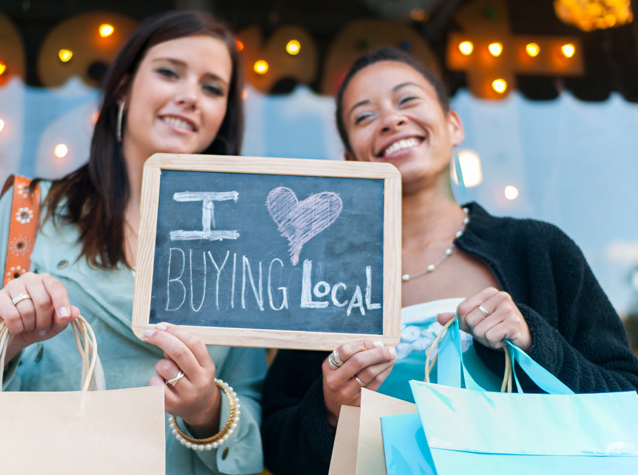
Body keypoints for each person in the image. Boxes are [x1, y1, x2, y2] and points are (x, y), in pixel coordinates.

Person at [261, 47, 638, 474]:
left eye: (407, 101)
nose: (390, 119)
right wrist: (327, 410)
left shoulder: (538, 249)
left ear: (453, 124)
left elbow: (627, 399)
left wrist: (535, 343)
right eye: (364, 117)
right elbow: (274, 442)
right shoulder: (323, 277)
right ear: (352, 161)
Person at [0, 10, 266, 475]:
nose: (189, 97)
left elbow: (253, 408)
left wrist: (207, 413)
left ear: (224, 115)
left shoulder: (238, 245)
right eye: (168, 72)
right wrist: (4, 343)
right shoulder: (31, 211)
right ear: (122, 87)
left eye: (212, 88)